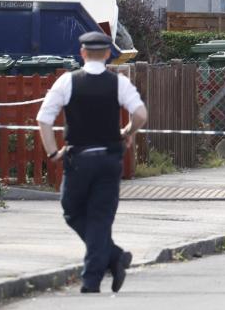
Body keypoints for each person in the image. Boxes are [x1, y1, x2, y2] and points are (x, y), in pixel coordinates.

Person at [36, 31, 148, 294]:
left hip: (79, 159)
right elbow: (141, 114)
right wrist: (128, 132)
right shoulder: (117, 83)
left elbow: (44, 119)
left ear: (82, 53)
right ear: (108, 54)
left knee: (72, 211)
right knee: (100, 216)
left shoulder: (67, 81)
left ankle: (94, 276)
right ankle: (111, 258)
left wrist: (53, 153)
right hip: (110, 158)